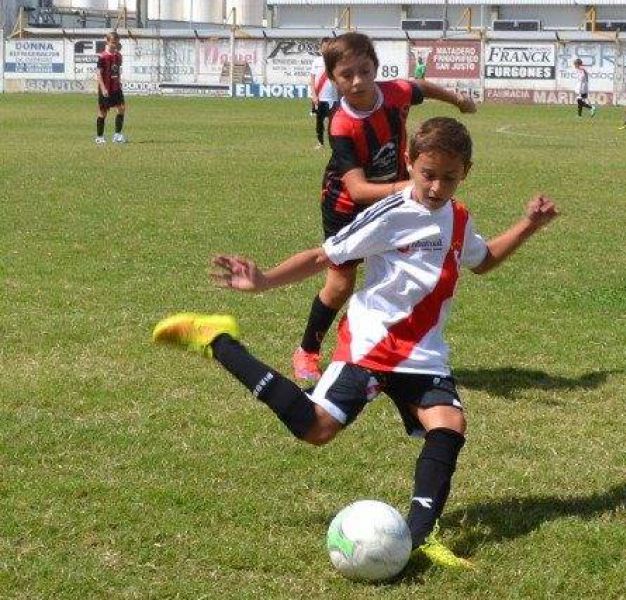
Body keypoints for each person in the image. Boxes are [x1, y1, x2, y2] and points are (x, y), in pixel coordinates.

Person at [152, 116, 560, 569]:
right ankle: (219, 340)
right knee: (316, 429)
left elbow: (482, 261)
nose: (437, 187)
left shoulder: (459, 218)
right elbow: (325, 255)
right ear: (409, 163)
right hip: (372, 346)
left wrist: (528, 225)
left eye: (449, 177)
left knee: (448, 427)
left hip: (424, 354)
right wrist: (264, 279)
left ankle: (421, 538)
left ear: (467, 172)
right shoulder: (391, 213)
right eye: (428, 174)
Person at [292, 32, 477, 383]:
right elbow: (358, 190)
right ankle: (307, 351)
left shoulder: (395, 93)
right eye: (347, 75)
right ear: (332, 79)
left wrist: (457, 100)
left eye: (365, 70)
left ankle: (380, 340)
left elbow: (418, 86)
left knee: (400, 269)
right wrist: (411, 185)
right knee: (340, 284)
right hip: (345, 204)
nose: (358, 81)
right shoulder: (343, 124)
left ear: (376, 66)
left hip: (393, 197)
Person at [308, 38, 341, 150]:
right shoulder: (316, 61)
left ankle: (335, 143)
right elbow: (312, 79)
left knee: (333, 122)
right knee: (319, 122)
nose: (325, 49)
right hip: (320, 97)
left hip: (333, 97)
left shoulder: (335, 62)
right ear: (321, 48)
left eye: (328, 47)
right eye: (324, 47)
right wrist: (313, 95)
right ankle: (320, 143)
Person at [95, 31, 126, 145]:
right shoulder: (102, 57)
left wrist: (119, 81)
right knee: (103, 112)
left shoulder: (118, 56)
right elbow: (98, 74)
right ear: (107, 42)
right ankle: (99, 137)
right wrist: (103, 88)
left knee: (121, 108)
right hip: (106, 88)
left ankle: (117, 135)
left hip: (116, 87)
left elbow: (117, 71)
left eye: (116, 42)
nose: (115, 44)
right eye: (113, 42)